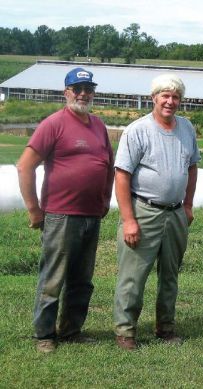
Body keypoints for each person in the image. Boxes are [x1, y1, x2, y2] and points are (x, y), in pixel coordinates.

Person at [17, 67, 114, 353]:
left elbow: (108, 166)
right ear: (66, 92)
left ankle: (72, 330)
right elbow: (25, 166)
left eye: (89, 89)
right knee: (53, 277)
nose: (84, 94)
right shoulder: (53, 124)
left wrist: (106, 199)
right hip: (60, 215)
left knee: (82, 279)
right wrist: (34, 209)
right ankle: (44, 334)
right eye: (78, 89)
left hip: (91, 215)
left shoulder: (98, 125)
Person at [113, 73, 200, 351]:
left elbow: (192, 167)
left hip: (175, 214)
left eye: (175, 97)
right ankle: (125, 331)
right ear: (154, 98)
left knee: (170, 275)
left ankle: (166, 327)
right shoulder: (137, 130)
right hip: (144, 211)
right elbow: (122, 175)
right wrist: (129, 220)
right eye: (165, 96)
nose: (170, 101)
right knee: (133, 275)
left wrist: (187, 205)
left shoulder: (186, 128)